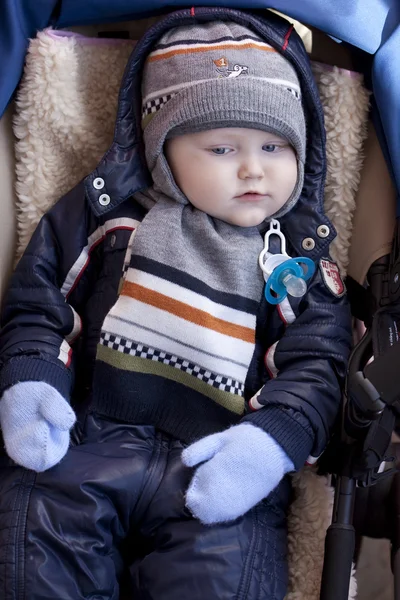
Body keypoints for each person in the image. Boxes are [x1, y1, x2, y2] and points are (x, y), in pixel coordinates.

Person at [0, 10, 352, 600]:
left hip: (219, 459)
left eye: (274, 145)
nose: (254, 169)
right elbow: (43, 300)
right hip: (91, 435)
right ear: (163, 149)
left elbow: (316, 361)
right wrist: (33, 379)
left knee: (220, 573)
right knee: (41, 530)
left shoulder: (298, 254)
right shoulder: (111, 216)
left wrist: (269, 444)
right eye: (221, 147)